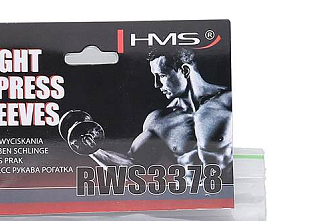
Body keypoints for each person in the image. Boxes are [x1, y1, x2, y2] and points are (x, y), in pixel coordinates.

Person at [89, 48, 232, 177]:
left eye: (162, 76)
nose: (156, 84)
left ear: (185, 71)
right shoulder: (160, 121)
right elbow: (132, 166)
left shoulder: (230, 102)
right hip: (191, 196)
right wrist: (92, 150)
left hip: (228, 194)